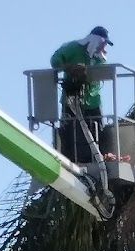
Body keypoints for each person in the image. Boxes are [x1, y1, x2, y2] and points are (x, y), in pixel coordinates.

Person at [51, 26, 113, 160]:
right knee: (69, 130)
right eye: (103, 43)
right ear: (95, 40)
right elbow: (55, 60)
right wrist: (69, 68)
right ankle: (69, 159)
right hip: (71, 98)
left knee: (98, 130)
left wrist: (86, 72)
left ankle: (99, 158)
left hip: (93, 101)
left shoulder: (100, 58)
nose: (104, 46)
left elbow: (100, 73)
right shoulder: (72, 48)